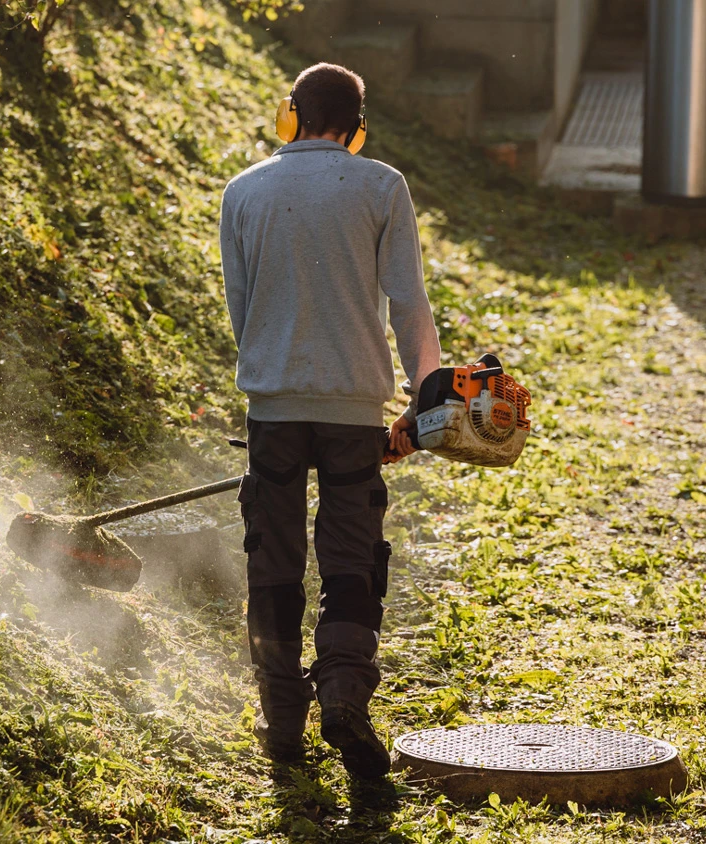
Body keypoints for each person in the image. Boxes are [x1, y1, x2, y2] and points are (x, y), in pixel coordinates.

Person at [217, 62, 442, 781]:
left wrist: (276, 376)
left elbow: (241, 313)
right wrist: (424, 401)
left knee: (272, 560)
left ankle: (282, 716)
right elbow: (408, 305)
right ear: (355, 128)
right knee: (352, 554)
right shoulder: (381, 187)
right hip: (353, 410)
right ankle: (344, 691)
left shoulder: (243, 191)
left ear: (291, 115)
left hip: (274, 407)